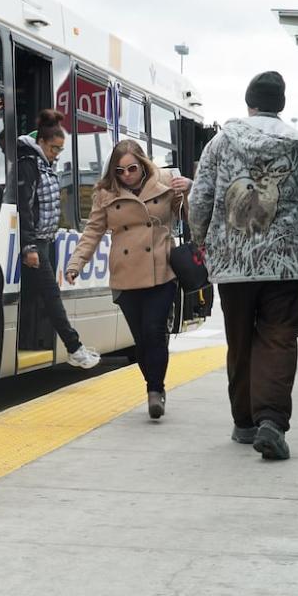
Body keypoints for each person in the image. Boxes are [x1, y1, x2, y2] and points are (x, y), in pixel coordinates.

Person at [188, 71, 298, 460]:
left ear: (249, 102)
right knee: (278, 337)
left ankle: (244, 422)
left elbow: (201, 195)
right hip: (285, 262)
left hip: (233, 261)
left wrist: (198, 237)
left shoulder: (221, 143)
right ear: (282, 105)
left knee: (239, 339)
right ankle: (272, 420)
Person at [64, 141, 191, 420]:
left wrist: (189, 190)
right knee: (142, 340)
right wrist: (76, 264)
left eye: (132, 168)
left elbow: (190, 216)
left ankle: (155, 391)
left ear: (143, 165)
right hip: (126, 274)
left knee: (155, 330)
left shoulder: (167, 181)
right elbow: (93, 231)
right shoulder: (105, 193)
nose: (127, 175)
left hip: (162, 269)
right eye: (120, 170)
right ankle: (153, 384)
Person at [17, 109, 100, 369]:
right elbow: (25, 207)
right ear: (41, 142)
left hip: (45, 241)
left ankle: (37, 343)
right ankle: (74, 348)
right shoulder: (28, 164)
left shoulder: (44, 164)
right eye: (53, 148)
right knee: (52, 296)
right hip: (34, 245)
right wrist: (29, 245)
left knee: (36, 296)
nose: (56, 154)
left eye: (60, 150)